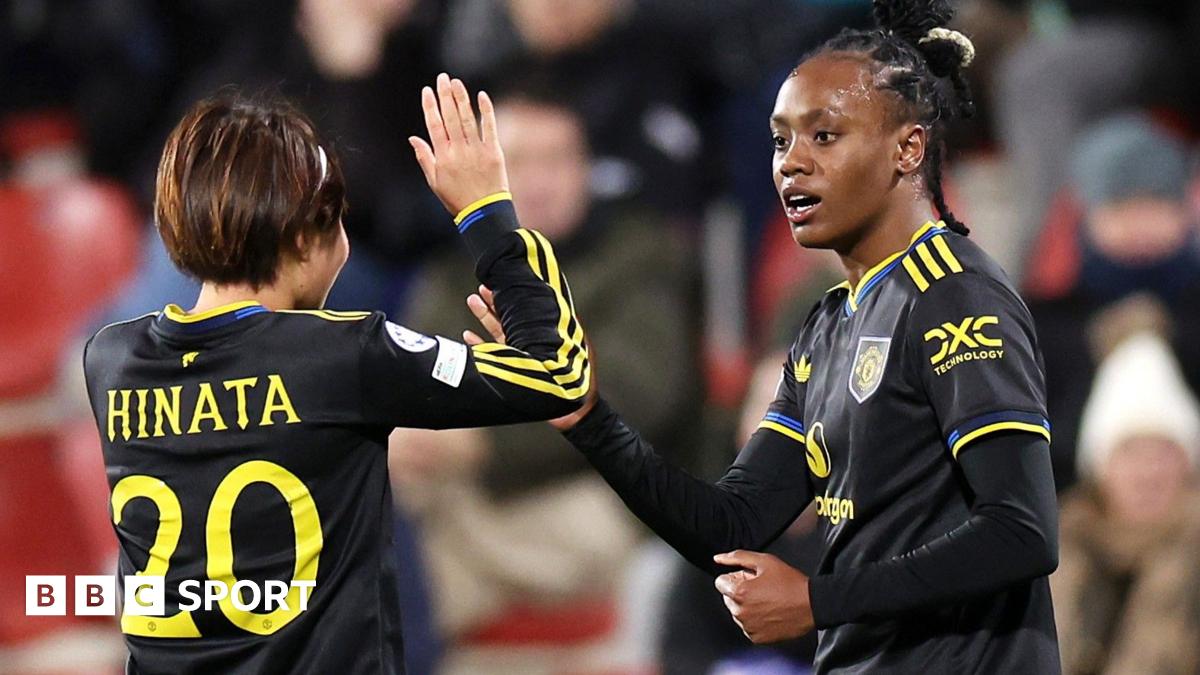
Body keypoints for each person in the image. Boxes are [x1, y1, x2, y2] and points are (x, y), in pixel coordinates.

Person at [467, 1, 1060, 671]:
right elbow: (730, 523)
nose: (792, 164)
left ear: (908, 148)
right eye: (781, 140)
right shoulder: (826, 326)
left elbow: (1022, 532)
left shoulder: (957, 301)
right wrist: (587, 415)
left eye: (825, 136)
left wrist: (819, 597)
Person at [81, 74, 591, 673]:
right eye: (338, 223)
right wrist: (488, 212)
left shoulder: (109, 360)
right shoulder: (345, 354)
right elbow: (559, 376)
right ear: (304, 238)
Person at [392, 89, 696, 637]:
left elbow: (632, 395)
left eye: (557, 159)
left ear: (587, 170)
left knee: (409, 566)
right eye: (517, 163)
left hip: (597, 492)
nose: (538, 181)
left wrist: (481, 444)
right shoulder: (449, 270)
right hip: (469, 497)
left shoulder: (639, 255)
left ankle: (416, 604)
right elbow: (420, 385)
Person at [1053, 329, 1200, 675]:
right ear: (1101, 470)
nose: (1148, 474)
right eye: (1131, 453)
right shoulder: (1057, 556)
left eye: (1164, 453)